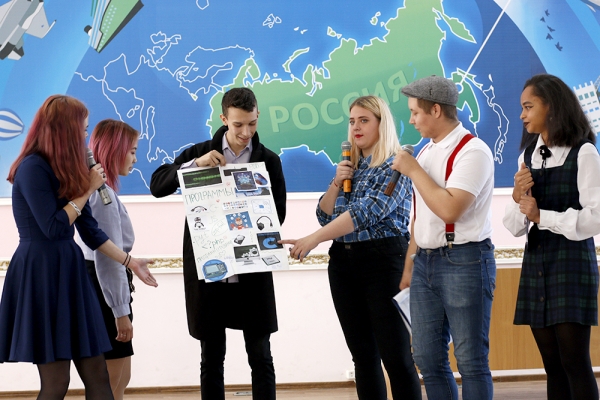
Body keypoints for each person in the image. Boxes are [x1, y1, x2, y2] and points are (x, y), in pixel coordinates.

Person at [0, 95, 157, 399]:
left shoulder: (67, 168)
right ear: (65, 131)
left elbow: (91, 231)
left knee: (98, 374)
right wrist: (86, 190)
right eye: (82, 129)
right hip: (41, 273)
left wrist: (130, 261)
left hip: (70, 271)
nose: (86, 137)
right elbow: (54, 227)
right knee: (57, 382)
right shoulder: (32, 168)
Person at [280, 95, 421, 400]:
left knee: (396, 357)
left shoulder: (396, 165)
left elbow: (366, 213)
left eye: (364, 120)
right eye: (352, 121)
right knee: (363, 357)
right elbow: (324, 215)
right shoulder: (350, 167)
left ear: (382, 124)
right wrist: (336, 182)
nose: (356, 127)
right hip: (344, 264)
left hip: (383, 261)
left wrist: (313, 239)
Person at [149, 87, 286, 400]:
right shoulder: (199, 153)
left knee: (261, 356)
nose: (246, 132)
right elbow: (157, 185)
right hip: (209, 273)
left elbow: (278, 214)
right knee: (211, 358)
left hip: (252, 273)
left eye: (252, 123)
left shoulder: (269, 161)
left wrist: (244, 213)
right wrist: (195, 165)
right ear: (224, 119)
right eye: (238, 125)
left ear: (258, 115)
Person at [392, 75, 496, 400]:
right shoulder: (425, 152)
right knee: (426, 357)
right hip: (425, 261)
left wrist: (413, 170)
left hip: (464, 259)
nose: (411, 120)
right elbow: (421, 216)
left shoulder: (473, 151)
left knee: (470, 360)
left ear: (436, 110)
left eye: (415, 112)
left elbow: (450, 209)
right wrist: (410, 264)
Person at [502, 74, 600, 400]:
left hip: (572, 263)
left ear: (552, 107)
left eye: (528, 107)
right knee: (552, 365)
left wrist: (543, 216)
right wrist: (517, 197)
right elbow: (515, 226)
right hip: (538, 262)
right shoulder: (528, 156)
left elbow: (596, 218)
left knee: (574, 360)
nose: (522, 115)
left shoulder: (584, 152)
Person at [75, 119, 144, 400]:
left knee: (120, 378)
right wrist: (120, 313)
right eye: (132, 151)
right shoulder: (102, 196)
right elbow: (107, 259)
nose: (135, 159)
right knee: (110, 383)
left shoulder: (104, 192)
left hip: (102, 287)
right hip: (103, 292)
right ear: (115, 150)